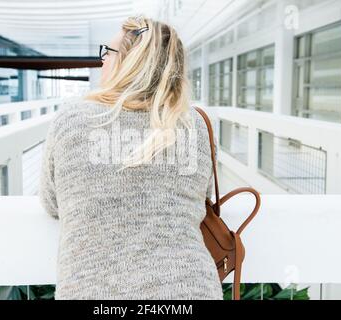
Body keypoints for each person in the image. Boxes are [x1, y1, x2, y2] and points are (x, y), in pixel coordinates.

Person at [39, 15, 223, 300]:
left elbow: (52, 204)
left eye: (108, 53)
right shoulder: (195, 124)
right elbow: (202, 197)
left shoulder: (71, 119)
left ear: (130, 62)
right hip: (189, 291)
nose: (103, 60)